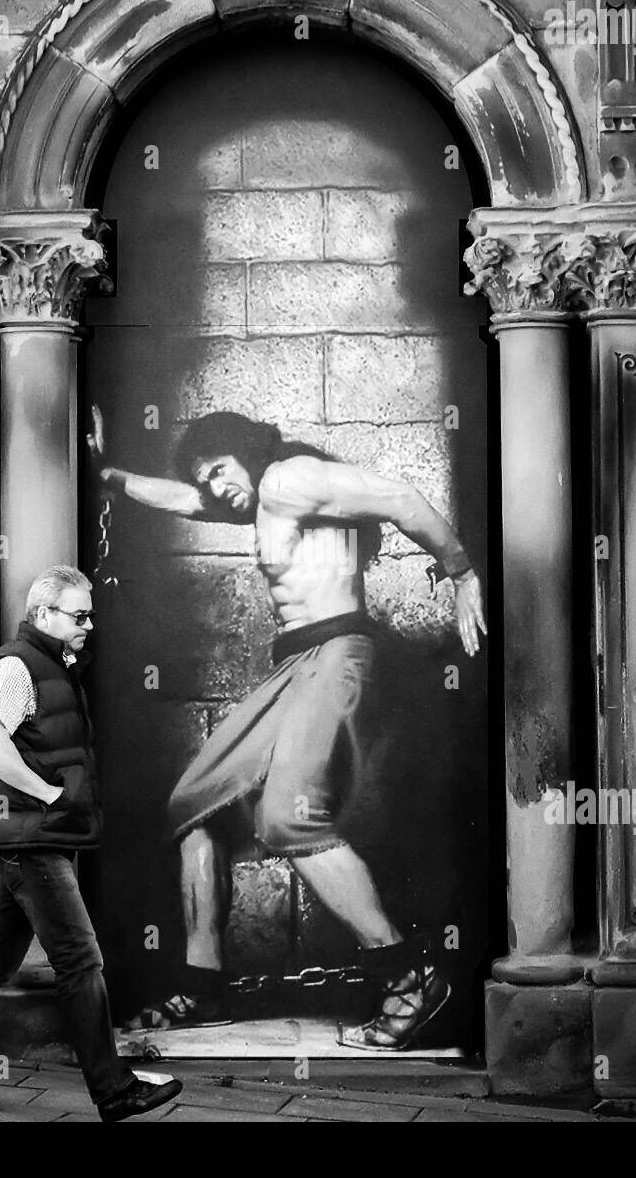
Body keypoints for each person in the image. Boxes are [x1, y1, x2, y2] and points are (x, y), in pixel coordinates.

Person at [89, 409, 486, 1049]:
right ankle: (205, 984)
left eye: (220, 470)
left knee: (288, 819)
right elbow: (186, 500)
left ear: (245, 452)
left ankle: (409, 976)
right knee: (194, 805)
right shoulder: (257, 499)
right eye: (209, 479)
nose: (216, 488)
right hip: (296, 664)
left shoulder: (288, 479)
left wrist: (462, 571)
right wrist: (106, 474)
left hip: (336, 653)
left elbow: (399, 498)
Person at [0, 565, 182, 1121]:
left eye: (90, 614)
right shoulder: (15, 665)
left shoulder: (54, 667)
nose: (89, 624)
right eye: (79, 615)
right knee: (81, 958)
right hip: (30, 840)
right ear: (42, 614)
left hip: (36, 836)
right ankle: (114, 1090)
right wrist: (48, 795)